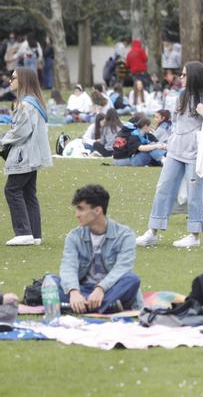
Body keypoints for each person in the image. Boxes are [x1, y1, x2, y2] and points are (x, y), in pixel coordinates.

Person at [135, 61, 203, 248]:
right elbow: (175, 124)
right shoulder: (180, 97)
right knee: (163, 188)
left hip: (195, 153)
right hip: (175, 150)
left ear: (194, 77)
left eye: (184, 75)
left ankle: (195, 235)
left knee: (194, 193)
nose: (180, 78)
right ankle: (153, 231)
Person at [51, 185, 142, 314]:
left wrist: (101, 288)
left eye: (81, 209)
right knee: (50, 281)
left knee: (132, 280)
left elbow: (123, 268)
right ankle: (106, 306)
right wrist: (74, 292)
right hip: (83, 289)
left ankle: (80, 306)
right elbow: (68, 266)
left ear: (98, 210)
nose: (77, 215)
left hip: (111, 289)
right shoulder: (74, 236)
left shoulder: (125, 235)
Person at [2, 68, 52, 246]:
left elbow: (21, 132)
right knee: (28, 193)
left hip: (24, 156)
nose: (10, 80)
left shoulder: (26, 105)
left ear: (22, 80)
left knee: (12, 190)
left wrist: (2, 140)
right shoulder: (35, 102)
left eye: (13, 77)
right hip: (33, 155)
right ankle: (34, 234)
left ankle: (23, 232)